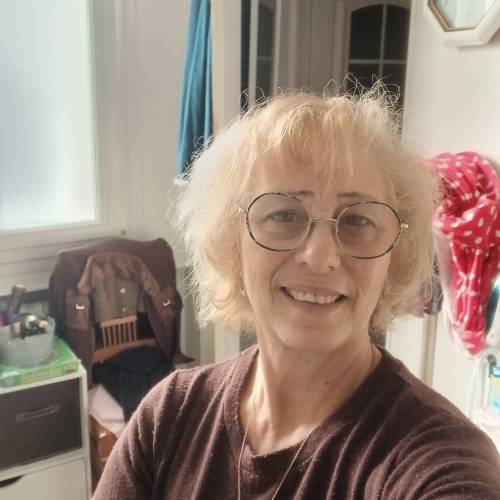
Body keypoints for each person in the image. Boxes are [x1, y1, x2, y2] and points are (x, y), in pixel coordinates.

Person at [93, 89, 500, 499]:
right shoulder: (168, 417)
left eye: (358, 220)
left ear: (393, 255)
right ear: (234, 242)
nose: (320, 258)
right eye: (284, 214)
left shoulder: (438, 462)